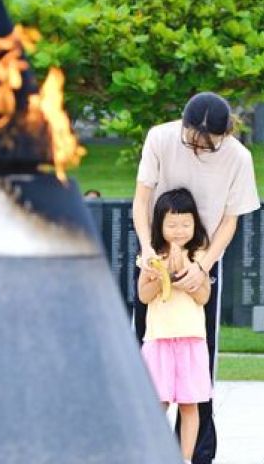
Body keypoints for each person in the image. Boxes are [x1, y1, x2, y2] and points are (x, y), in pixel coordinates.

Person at [132, 91, 260, 464]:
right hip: (156, 252)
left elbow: (230, 220)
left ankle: (197, 456)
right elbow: (142, 200)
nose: (198, 149)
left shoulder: (238, 157)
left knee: (196, 375)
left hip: (204, 256)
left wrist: (202, 265)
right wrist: (149, 252)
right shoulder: (160, 137)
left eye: (209, 145)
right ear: (183, 124)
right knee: (149, 358)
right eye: (192, 140)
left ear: (225, 134)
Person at [138, 188, 212, 464]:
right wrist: (161, 276)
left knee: (190, 404)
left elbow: (204, 297)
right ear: (160, 225)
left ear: (195, 224)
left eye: (186, 224)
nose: (179, 231)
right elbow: (143, 296)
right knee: (158, 402)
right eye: (172, 224)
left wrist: (189, 279)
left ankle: (184, 458)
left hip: (192, 340)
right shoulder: (151, 256)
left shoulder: (200, 257)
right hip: (159, 338)